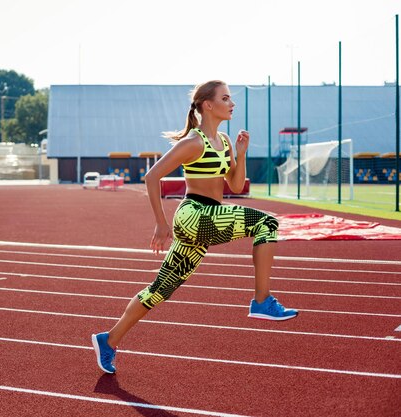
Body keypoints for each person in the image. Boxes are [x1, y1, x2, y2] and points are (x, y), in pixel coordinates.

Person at [91, 80, 298, 374]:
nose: (232, 103)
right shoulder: (193, 142)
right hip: (194, 214)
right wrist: (161, 224)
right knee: (267, 222)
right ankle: (262, 301)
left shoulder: (224, 141)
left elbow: (236, 186)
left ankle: (108, 340)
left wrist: (241, 154)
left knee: (160, 289)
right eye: (226, 98)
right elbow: (152, 177)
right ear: (208, 105)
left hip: (210, 216)